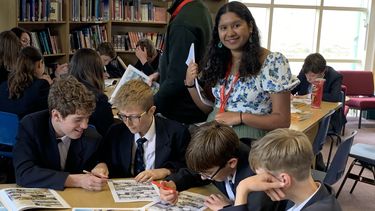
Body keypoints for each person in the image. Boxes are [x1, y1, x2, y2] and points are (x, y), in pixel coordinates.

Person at [185, 1, 298, 140]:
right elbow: (212, 109)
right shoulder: (217, 60)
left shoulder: (273, 62)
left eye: (236, 25)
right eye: (223, 28)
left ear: (250, 27)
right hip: (213, 138)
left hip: (248, 142)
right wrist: (190, 85)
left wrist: (240, 117)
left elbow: (283, 120)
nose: (230, 33)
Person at [159, 121, 284, 211]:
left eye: (208, 174)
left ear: (231, 163)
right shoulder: (220, 156)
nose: (203, 178)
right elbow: (198, 172)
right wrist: (173, 184)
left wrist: (226, 208)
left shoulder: (258, 176)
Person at [13, 76, 108, 191]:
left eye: (87, 118)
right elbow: (24, 173)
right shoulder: (30, 126)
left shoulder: (91, 136)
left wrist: (101, 166)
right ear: (56, 116)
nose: (85, 125)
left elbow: (98, 160)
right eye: (78, 120)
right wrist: (77, 180)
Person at [222, 128, 342, 211]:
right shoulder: (315, 193)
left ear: (283, 180)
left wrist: (242, 188)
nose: (258, 184)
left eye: (262, 178)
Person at [103, 79, 190, 182]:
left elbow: (192, 170)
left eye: (134, 117)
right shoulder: (116, 133)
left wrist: (166, 171)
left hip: (161, 191)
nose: (128, 123)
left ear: (151, 111)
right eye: (123, 116)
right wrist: (101, 165)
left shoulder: (177, 133)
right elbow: (102, 159)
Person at [153, 0, 213, 124]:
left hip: (181, 115)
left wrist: (150, 104)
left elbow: (178, 78)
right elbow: (183, 58)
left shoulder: (182, 24)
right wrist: (159, 72)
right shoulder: (199, 9)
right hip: (195, 106)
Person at [292, 53, 344, 133]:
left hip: (325, 116)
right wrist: (288, 93)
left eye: (312, 75)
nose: (308, 78)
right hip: (303, 111)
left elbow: (335, 97)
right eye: (307, 75)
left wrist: (311, 96)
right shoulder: (304, 72)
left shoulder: (334, 76)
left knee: (310, 130)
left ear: (322, 72)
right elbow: (294, 88)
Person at [69, 48, 114, 136]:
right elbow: (109, 131)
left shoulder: (65, 92)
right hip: (97, 145)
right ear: (97, 70)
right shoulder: (99, 99)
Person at [0, 46, 51, 119]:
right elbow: (48, 115)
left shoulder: (3, 86)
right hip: (29, 129)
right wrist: (51, 87)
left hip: (5, 130)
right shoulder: (41, 85)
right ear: (40, 63)